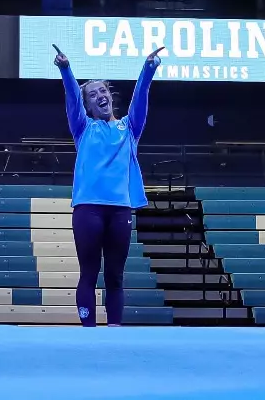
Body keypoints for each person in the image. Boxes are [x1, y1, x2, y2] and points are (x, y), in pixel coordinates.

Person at [54, 45, 161, 327]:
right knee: (89, 273)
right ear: (88, 106)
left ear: (110, 97)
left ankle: (115, 330)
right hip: (88, 209)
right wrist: (66, 70)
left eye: (103, 92)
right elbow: (71, 99)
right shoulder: (83, 128)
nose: (100, 96)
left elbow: (141, 98)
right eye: (93, 95)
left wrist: (148, 69)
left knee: (115, 275)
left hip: (120, 211)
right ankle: (88, 330)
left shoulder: (130, 128)